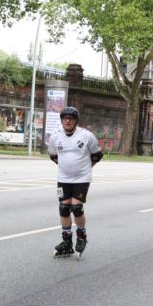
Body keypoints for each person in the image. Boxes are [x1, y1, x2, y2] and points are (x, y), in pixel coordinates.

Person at [48, 106, 102, 258]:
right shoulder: (55, 137)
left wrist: (86, 167)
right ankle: (66, 241)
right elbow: (53, 156)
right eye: (65, 118)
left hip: (82, 178)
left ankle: (81, 235)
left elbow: (97, 155)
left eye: (70, 118)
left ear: (76, 121)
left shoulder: (87, 136)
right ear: (61, 120)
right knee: (64, 207)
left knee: (76, 207)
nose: (67, 121)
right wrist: (66, 167)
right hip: (63, 178)